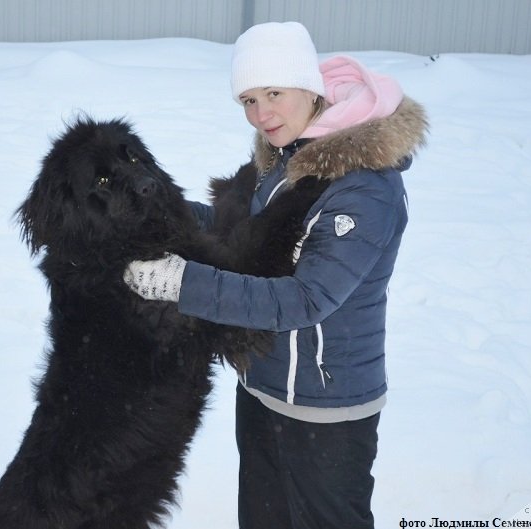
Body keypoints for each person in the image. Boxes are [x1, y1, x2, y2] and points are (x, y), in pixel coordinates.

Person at [123, 21, 428, 529]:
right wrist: (155, 213)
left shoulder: (364, 187)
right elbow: (237, 232)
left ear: (309, 86)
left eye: (273, 93)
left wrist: (183, 283)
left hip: (327, 409)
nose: (261, 114)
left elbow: (306, 299)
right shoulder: (288, 158)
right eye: (248, 99)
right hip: (263, 390)